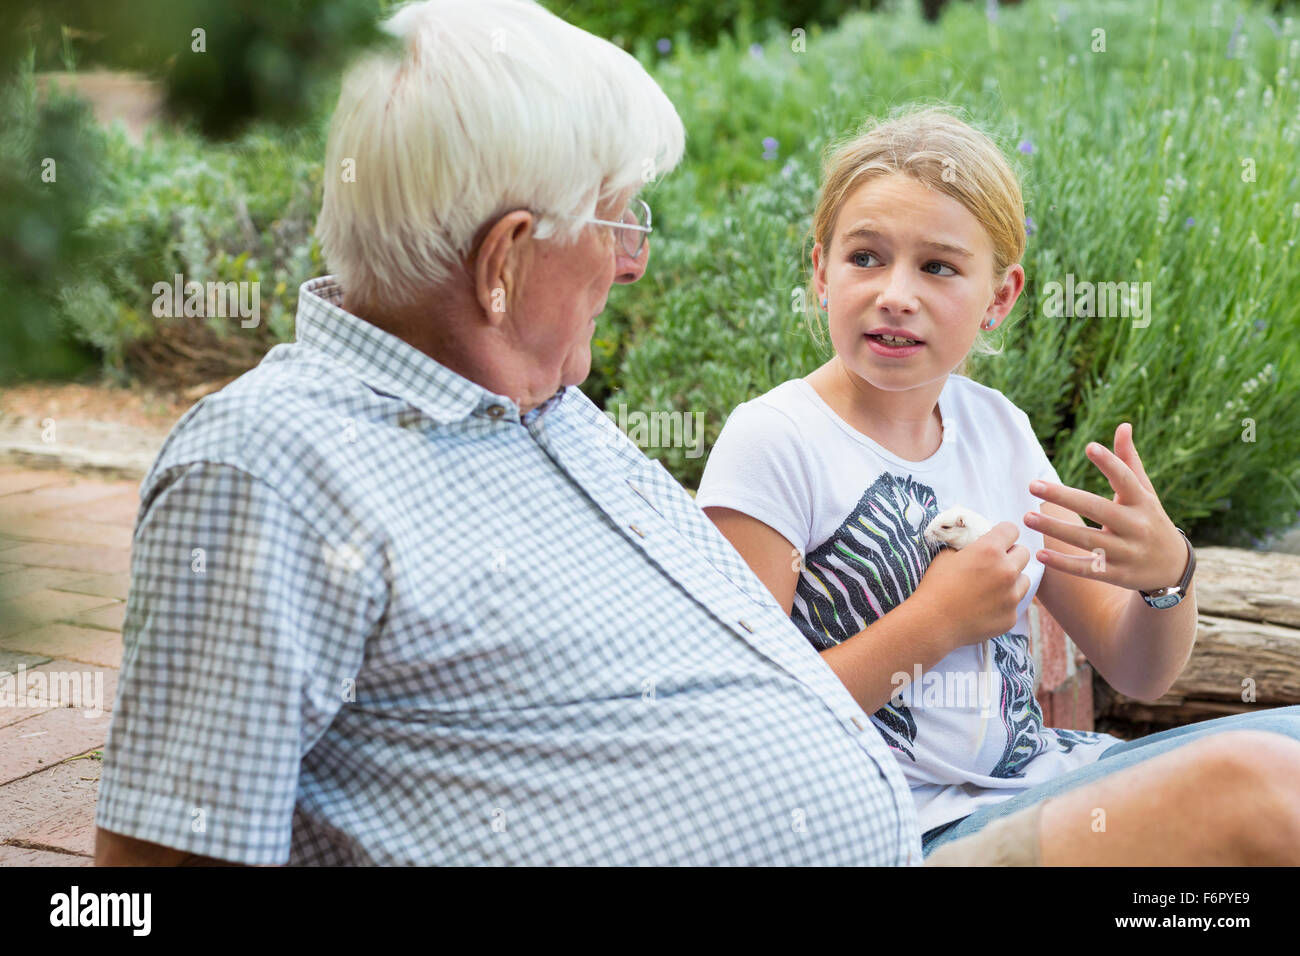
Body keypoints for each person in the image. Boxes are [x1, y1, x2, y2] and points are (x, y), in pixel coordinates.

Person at [695, 105, 1300, 864]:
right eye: (866, 258)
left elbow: (1139, 671)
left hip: (1040, 780)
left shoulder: (996, 428)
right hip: (903, 831)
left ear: (1000, 298)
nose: (895, 293)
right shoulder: (774, 442)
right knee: (1253, 785)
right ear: (821, 272)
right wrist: (938, 620)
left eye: (939, 267)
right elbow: (743, 725)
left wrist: (1168, 576)